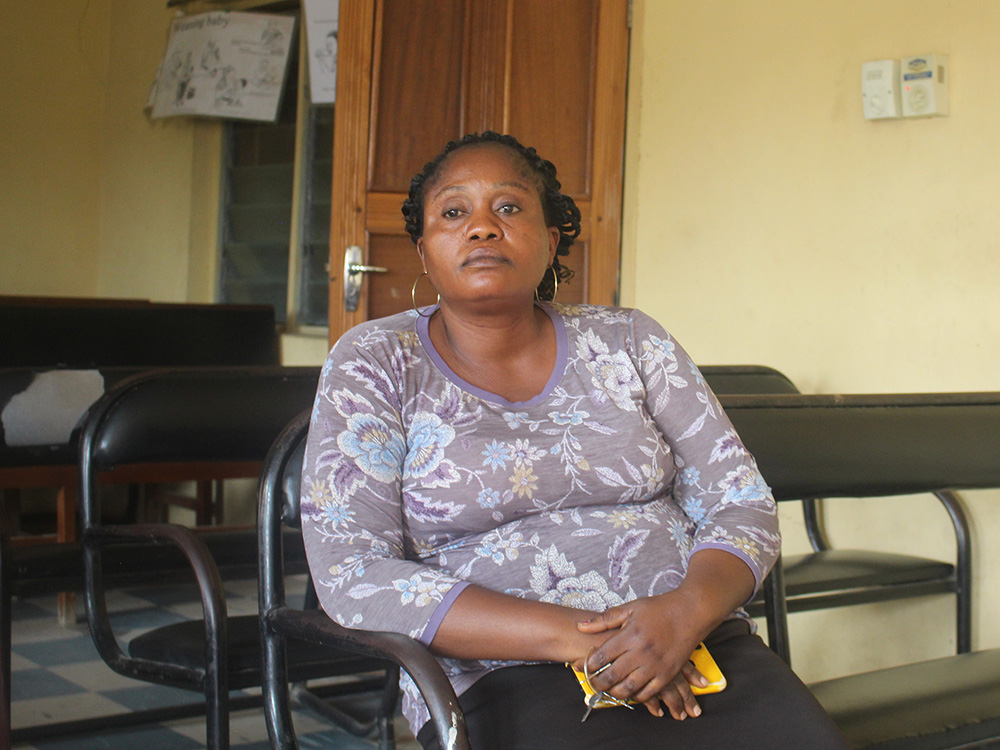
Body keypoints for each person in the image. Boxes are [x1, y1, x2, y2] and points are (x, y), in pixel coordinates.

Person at [301, 132, 849, 749]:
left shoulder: (630, 341)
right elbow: (353, 572)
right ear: (425, 252)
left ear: (552, 239)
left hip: (697, 647)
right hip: (499, 676)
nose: (482, 227)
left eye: (509, 208)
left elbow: (740, 502)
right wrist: (600, 644)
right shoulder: (376, 362)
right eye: (454, 213)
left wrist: (683, 614)